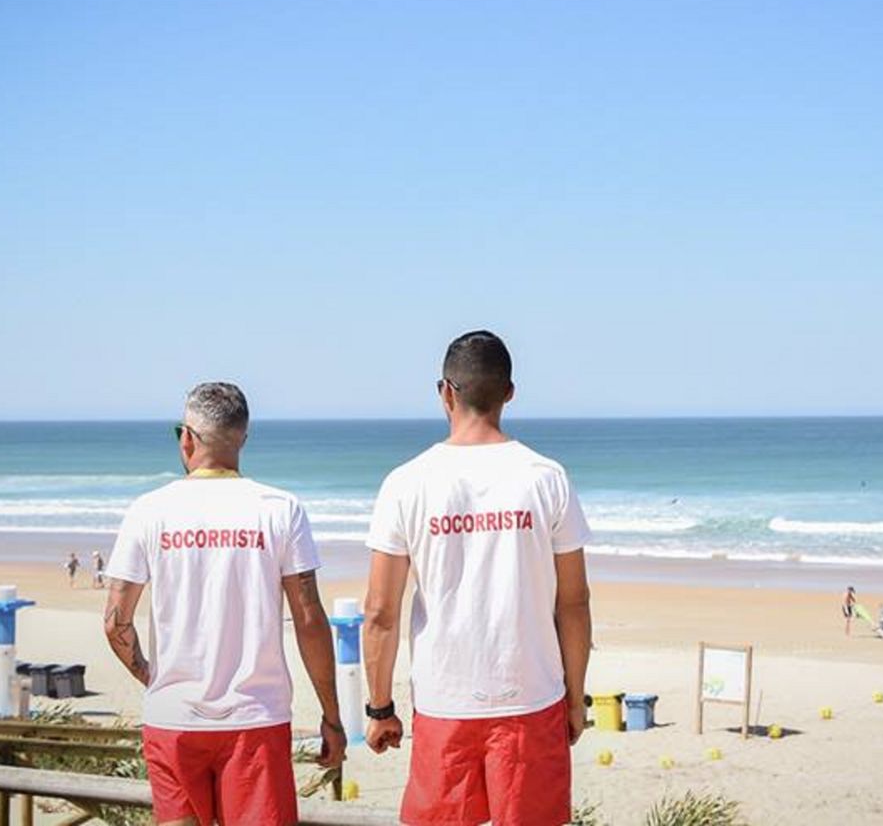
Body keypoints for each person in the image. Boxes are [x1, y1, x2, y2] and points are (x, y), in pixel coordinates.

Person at [363, 330, 592, 826]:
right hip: (531, 697)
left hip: (446, 701)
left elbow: (380, 611)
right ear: (510, 392)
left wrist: (379, 709)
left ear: (445, 392)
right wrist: (576, 698)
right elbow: (573, 602)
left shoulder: (406, 483)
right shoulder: (546, 477)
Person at [103, 382, 344, 826]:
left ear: (187, 438)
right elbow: (309, 618)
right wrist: (331, 715)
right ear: (243, 438)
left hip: (174, 717)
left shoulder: (149, 510)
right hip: (256, 718)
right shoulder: (279, 508)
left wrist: (153, 677)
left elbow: (116, 619)